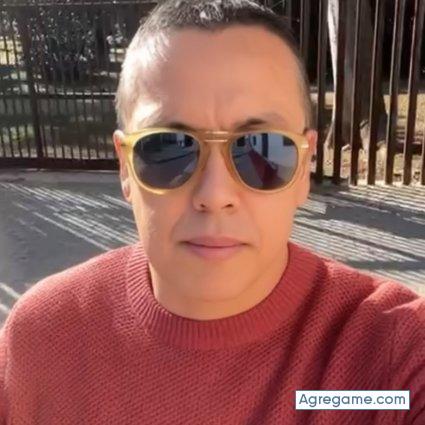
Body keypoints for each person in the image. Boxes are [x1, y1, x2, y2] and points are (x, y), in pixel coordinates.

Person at [0, 1, 423, 423]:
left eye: (261, 148)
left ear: (304, 166)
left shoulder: (391, 356)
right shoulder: (44, 339)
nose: (215, 194)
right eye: (167, 148)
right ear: (125, 167)